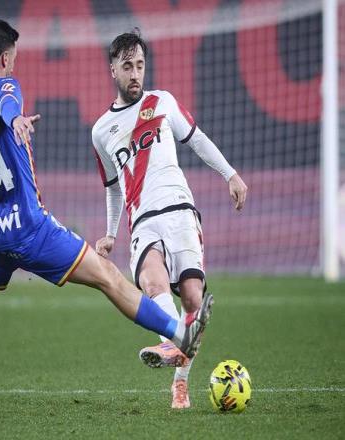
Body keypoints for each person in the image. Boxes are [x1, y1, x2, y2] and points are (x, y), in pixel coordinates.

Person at [0, 19, 211, 421]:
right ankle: (180, 334)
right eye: (13, 57)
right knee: (108, 277)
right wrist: (14, 119)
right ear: (4, 58)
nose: (14, 63)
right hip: (29, 227)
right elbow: (7, 104)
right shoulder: (7, 87)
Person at [92, 30, 247, 409]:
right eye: (127, 66)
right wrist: (110, 233)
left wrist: (230, 174)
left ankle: (180, 381)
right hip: (142, 220)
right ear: (113, 70)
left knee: (193, 296)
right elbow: (113, 188)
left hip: (180, 209)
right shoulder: (100, 131)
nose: (135, 74)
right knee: (152, 282)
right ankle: (172, 343)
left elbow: (197, 139)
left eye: (140, 65)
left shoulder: (162, 101)